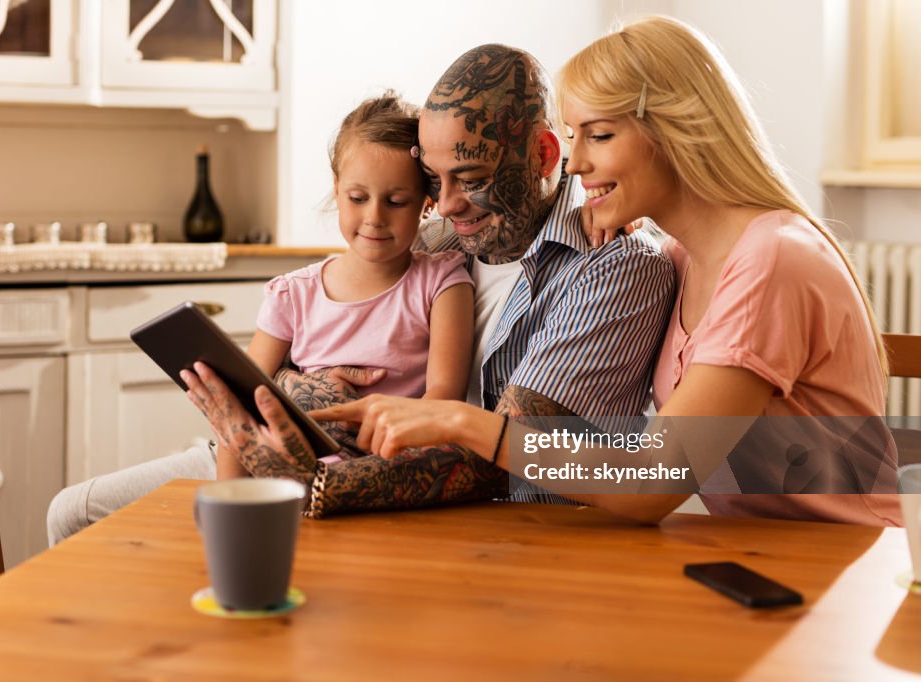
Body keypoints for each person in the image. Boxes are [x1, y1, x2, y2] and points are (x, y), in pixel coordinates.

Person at [311, 17, 902, 526]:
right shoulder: (682, 255)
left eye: (599, 135)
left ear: (676, 129)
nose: (575, 161)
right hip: (754, 554)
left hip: (845, 565)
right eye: (573, 137)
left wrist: (460, 422)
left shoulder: (770, 261)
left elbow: (652, 481)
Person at [177, 43, 673, 518]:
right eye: (433, 180)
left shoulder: (612, 263)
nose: (448, 204)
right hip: (296, 461)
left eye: (472, 179)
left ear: (544, 155)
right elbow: (315, 322)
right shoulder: (437, 241)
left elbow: (512, 449)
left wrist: (314, 481)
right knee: (97, 505)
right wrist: (290, 389)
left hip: (470, 520)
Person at [218, 93, 475, 480]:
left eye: (397, 201)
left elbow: (442, 402)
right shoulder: (293, 294)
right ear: (337, 189)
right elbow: (239, 405)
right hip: (285, 471)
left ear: (426, 202)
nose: (374, 217)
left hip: (384, 475)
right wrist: (229, 499)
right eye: (358, 198)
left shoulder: (442, 284)